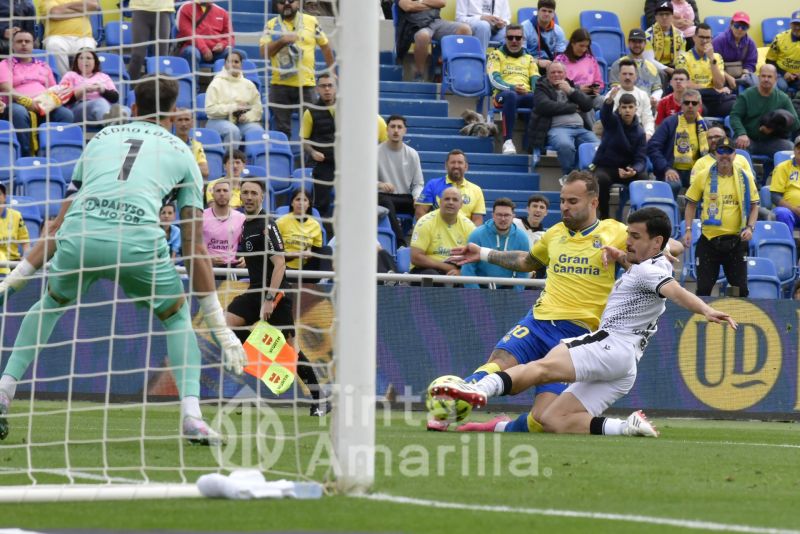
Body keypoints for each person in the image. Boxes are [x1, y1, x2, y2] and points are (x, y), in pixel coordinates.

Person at [0, 77, 246, 444]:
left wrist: (15, 278)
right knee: (177, 316)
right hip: (138, 243)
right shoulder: (183, 154)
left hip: (82, 235)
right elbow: (194, 246)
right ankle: (192, 416)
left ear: (132, 108)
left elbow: (57, 223)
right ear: (173, 114)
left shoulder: (100, 139)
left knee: (50, 303)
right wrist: (220, 328)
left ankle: (4, 391)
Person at [434, 207, 734, 438]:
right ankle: (625, 426)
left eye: (635, 237)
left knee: (541, 368)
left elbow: (674, 290)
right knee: (554, 420)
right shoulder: (653, 264)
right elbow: (655, 264)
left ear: (656, 242)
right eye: (628, 235)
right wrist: (620, 254)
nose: (628, 241)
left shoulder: (651, 271)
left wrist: (705, 309)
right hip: (626, 366)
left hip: (608, 345)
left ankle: (480, 391)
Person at [425, 172, 622, 432]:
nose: (565, 206)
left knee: (542, 420)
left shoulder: (615, 232)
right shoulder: (554, 234)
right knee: (500, 361)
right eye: (563, 200)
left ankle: (496, 426)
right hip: (538, 321)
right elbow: (526, 261)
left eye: (573, 201)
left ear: (594, 202)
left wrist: (641, 253)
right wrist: (483, 253)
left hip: (576, 336)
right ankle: (450, 409)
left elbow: (662, 245)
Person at [226, 179, 328, 416]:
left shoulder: (267, 224)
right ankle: (267, 350)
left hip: (275, 293)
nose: (249, 197)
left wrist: (270, 298)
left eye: (254, 193)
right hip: (255, 291)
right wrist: (246, 261)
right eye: (245, 192)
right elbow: (260, 257)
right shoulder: (246, 224)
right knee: (226, 322)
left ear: (262, 197)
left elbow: (280, 264)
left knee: (292, 349)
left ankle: (320, 399)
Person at [684, 137, 759, 297]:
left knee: (740, 290)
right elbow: (690, 204)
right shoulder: (703, 175)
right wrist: (688, 229)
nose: (725, 155)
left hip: (736, 241)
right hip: (709, 241)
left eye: (729, 151)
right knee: (704, 289)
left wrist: (750, 227)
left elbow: (755, 206)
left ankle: (735, 313)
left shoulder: (745, 177)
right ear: (715, 153)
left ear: (735, 154)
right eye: (721, 151)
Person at [260, 0, 334, 138]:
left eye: (291, 1)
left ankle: (309, 153)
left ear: (299, 3)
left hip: (306, 85)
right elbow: (264, 53)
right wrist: (282, 41)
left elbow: (325, 46)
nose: (286, 3)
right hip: (279, 86)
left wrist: (332, 72)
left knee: (312, 129)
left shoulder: (311, 21)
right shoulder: (271, 25)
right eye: (282, 2)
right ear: (276, 5)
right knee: (281, 131)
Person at [0, 30, 73, 157]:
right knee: (18, 112)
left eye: (27, 41)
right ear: (12, 45)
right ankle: (26, 155)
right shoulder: (5, 64)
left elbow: (53, 89)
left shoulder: (43, 66)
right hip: (17, 105)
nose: (23, 44)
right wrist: (27, 101)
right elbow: (6, 88)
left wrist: (49, 101)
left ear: (32, 45)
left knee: (65, 114)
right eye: (19, 41)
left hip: (43, 106)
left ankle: (57, 154)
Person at [528, 61, 598, 179]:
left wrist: (570, 91)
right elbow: (544, 106)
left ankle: (587, 175)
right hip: (558, 128)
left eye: (559, 72)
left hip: (580, 129)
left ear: (565, 74)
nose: (556, 75)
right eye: (553, 72)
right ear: (547, 75)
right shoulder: (541, 87)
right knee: (565, 146)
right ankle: (569, 176)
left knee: (597, 146)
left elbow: (587, 105)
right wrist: (572, 108)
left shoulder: (570, 86)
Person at [730, 64, 798, 175]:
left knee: (789, 148)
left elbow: (796, 124)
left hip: (771, 141)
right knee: (739, 147)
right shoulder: (747, 95)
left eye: (769, 76)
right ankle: (751, 179)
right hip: (748, 139)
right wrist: (741, 133)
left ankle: (785, 180)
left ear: (776, 79)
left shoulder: (783, 98)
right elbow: (734, 116)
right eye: (763, 76)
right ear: (758, 77)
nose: (766, 79)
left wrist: (774, 128)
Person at [594, 89, 648, 220]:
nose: (627, 110)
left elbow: (641, 159)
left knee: (643, 177)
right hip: (607, 168)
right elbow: (605, 115)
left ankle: (639, 216)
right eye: (624, 107)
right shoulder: (612, 122)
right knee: (601, 179)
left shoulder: (640, 133)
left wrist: (634, 170)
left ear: (636, 109)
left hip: (627, 170)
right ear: (619, 109)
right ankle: (604, 216)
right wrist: (609, 101)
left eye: (630, 107)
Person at [486, 24, 539, 155]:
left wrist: (533, 92)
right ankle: (507, 141)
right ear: (505, 38)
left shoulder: (529, 58)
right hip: (502, 95)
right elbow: (494, 80)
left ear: (523, 39)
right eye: (510, 37)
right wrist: (512, 88)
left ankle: (531, 144)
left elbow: (536, 79)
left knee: (538, 98)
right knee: (511, 95)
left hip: (525, 94)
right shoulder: (495, 55)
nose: (514, 41)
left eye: (518, 38)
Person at [647, 88, 708, 198]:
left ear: (699, 105)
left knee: (710, 186)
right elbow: (653, 147)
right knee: (673, 185)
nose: (690, 106)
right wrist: (666, 169)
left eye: (694, 103)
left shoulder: (705, 126)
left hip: (696, 170)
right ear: (681, 105)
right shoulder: (669, 123)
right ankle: (670, 209)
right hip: (672, 169)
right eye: (686, 103)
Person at [461, 198, 531, 291]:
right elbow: (468, 269)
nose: (503, 219)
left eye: (507, 215)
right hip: (480, 285)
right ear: (493, 215)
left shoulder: (522, 238)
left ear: (513, 216)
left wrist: (516, 295)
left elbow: (524, 270)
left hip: (507, 286)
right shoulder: (477, 234)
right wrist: (476, 295)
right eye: (499, 215)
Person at [377, 114, 424, 248]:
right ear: (387, 130)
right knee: (385, 201)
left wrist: (417, 197)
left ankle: (423, 244)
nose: (396, 130)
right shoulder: (375, 152)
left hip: (405, 198)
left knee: (426, 203)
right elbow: (366, 180)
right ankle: (400, 244)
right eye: (392, 127)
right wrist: (380, 184)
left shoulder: (412, 154)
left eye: (399, 127)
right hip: (383, 196)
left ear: (405, 130)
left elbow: (418, 183)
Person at [395, 0, 470, 82]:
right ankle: (419, 73)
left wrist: (420, 2)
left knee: (465, 29)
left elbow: (441, 3)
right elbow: (408, 7)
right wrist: (431, 5)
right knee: (423, 36)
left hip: (435, 21)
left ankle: (450, 68)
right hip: (416, 25)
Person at [205, 50, 265, 149]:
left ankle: (252, 158)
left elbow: (257, 108)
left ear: (241, 65)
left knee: (257, 131)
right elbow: (210, 110)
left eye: (236, 62)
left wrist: (247, 116)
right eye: (229, 61)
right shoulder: (216, 83)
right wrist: (234, 107)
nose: (233, 64)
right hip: (217, 121)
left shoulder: (249, 85)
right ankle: (230, 158)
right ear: (225, 64)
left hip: (241, 122)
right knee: (232, 131)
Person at [410, 186, 475, 276]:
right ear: (440, 202)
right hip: (427, 268)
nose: (450, 202)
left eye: (455, 200)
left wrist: (462, 272)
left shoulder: (469, 226)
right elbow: (415, 257)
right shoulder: (425, 222)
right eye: (447, 199)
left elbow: (475, 258)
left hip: (457, 268)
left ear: (461, 205)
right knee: (431, 275)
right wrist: (447, 267)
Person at [676, 23, 735, 118]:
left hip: (715, 100)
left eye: (708, 38)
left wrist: (711, 60)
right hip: (695, 99)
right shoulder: (683, 58)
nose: (704, 41)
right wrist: (711, 90)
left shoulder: (717, 57)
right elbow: (686, 84)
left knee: (735, 106)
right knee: (698, 109)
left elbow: (719, 85)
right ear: (694, 38)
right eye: (701, 37)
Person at [415, 149, 486, 225]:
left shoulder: (476, 190)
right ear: (446, 166)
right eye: (453, 162)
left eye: (460, 163)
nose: (456, 166)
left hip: (464, 231)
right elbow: (420, 213)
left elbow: (477, 221)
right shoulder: (433, 185)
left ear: (466, 166)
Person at [275, 188, 330, 272]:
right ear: (292, 203)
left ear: (309, 204)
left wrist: (310, 253)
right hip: (284, 268)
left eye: (304, 200)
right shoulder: (280, 222)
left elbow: (316, 251)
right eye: (298, 199)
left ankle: (325, 278)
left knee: (327, 250)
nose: (301, 203)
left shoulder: (315, 225)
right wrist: (296, 254)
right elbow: (274, 252)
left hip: (305, 268)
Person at [61, 49, 119, 123]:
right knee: (100, 103)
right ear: (76, 61)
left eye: (88, 58)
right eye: (81, 58)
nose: (85, 61)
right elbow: (62, 99)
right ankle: (109, 122)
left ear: (95, 61)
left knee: (124, 109)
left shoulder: (104, 76)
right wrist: (83, 90)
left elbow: (115, 98)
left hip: (106, 106)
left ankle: (113, 121)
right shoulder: (70, 75)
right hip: (78, 109)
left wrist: (102, 90)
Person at [42, 0, 98, 76]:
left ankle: (82, 81)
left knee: (87, 48)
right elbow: (55, 13)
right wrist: (82, 11)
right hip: (57, 37)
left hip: (83, 37)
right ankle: (64, 80)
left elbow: (93, 5)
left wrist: (65, 7)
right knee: (53, 45)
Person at [609, 29, 662, 108]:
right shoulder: (618, 64)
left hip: (647, 106)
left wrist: (654, 98)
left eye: (640, 42)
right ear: (629, 43)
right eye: (634, 41)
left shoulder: (652, 67)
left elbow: (657, 89)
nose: (637, 45)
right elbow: (615, 89)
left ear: (645, 44)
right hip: (625, 106)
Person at [553, 29, 604, 109]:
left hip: (589, 96)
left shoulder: (591, 59)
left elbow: (599, 82)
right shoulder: (560, 60)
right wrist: (577, 89)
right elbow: (556, 83)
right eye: (581, 46)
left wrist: (594, 89)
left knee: (604, 101)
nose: (584, 49)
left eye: (586, 46)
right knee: (586, 108)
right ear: (573, 43)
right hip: (568, 97)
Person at [203, 179, 246, 270]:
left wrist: (246, 258)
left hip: (231, 267)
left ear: (231, 194)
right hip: (206, 266)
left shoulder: (241, 218)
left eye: (225, 190)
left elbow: (247, 244)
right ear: (212, 194)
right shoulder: (201, 216)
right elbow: (193, 245)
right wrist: (206, 258)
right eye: (218, 191)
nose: (222, 193)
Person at [175, 0, 233, 67]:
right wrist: (204, 49)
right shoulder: (185, 8)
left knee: (237, 55)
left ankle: (221, 74)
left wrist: (222, 45)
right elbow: (188, 33)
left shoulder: (222, 12)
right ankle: (192, 74)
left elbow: (230, 37)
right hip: (194, 48)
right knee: (191, 52)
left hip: (216, 52)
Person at [126, 0, 174, 80]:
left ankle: (160, 85)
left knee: (161, 57)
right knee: (137, 55)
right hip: (140, 9)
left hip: (163, 11)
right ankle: (130, 85)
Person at [610, 59, 655, 140]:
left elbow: (648, 120)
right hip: (618, 133)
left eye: (631, 74)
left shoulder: (643, 95)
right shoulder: (612, 95)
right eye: (624, 74)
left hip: (639, 132)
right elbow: (611, 120)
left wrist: (648, 134)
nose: (627, 77)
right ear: (619, 76)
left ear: (636, 76)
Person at [712, 11, 757, 90]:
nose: (740, 29)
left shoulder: (751, 43)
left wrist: (745, 73)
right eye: (737, 25)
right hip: (721, 75)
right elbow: (713, 64)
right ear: (731, 24)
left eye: (744, 27)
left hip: (741, 75)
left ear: (747, 29)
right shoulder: (719, 40)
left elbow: (751, 63)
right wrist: (728, 77)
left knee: (756, 86)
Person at [644, 1, 686, 81]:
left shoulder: (680, 35)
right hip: (656, 68)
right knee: (661, 74)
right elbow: (649, 60)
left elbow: (682, 57)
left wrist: (679, 71)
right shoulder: (647, 35)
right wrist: (669, 70)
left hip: (674, 67)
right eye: (661, 14)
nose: (664, 17)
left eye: (667, 14)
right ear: (656, 17)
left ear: (672, 16)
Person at [520, 0, 566, 71]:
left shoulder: (558, 30)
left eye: (550, 11)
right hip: (529, 66)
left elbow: (561, 55)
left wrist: (554, 64)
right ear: (537, 11)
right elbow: (520, 55)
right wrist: (537, 62)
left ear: (553, 14)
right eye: (544, 10)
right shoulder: (524, 27)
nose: (547, 14)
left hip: (550, 67)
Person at [769, 136, 800, 234]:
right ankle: (787, 243)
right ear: (794, 150)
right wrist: (794, 209)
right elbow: (775, 197)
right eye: (799, 147)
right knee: (782, 213)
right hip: (790, 211)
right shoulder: (782, 167)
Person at [765, 10, 800, 96]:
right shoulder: (779, 38)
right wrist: (784, 73)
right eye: (795, 24)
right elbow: (769, 61)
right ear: (790, 24)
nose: (797, 27)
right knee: (782, 86)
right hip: (780, 73)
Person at [0, 182, 30, 274]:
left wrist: (25, 258)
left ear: (4, 197)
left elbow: (25, 242)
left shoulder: (16, 216)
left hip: (13, 262)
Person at [173, 107, 210, 179]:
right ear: (174, 122)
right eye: (180, 120)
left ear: (192, 122)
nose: (183, 124)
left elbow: (205, 171)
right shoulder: (167, 143)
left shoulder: (197, 145)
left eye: (186, 119)